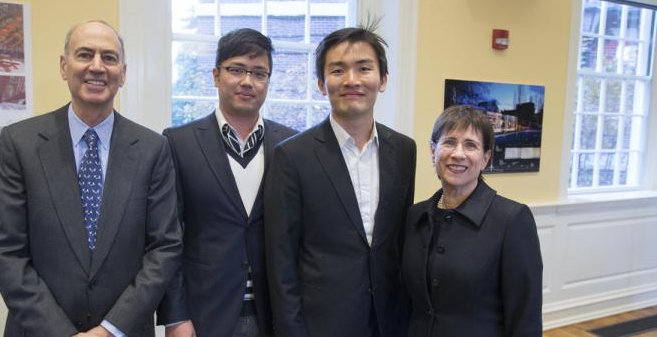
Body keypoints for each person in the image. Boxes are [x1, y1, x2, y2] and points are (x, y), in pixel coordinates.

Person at [0, 20, 193, 337]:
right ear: (64, 66)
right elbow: (6, 250)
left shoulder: (153, 150)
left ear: (122, 73)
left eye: (109, 58)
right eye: (85, 55)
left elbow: (164, 248)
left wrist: (109, 329)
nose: (97, 67)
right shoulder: (20, 144)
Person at [264, 26, 416, 337]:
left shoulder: (404, 150)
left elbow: (399, 242)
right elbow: (281, 259)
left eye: (364, 68)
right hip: (321, 324)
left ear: (383, 79)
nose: (351, 80)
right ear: (321, 83)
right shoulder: (293, 155)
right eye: (337, 70)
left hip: (390, 321)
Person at [157, 28, 297, 337]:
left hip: (274, 316)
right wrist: (175, 317)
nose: (248, 81)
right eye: (236, 70)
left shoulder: (290, 145)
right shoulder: (179, 143)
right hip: (204, 315)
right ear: (216, 75)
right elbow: (168, 238)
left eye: (259, 73)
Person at [402, 105, 543, 337]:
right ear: (433, 151)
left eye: (471, 145)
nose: (458, 154)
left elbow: (524, 318)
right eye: (449, 142)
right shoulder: (415, 217)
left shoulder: (512, 220)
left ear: (485, 158)